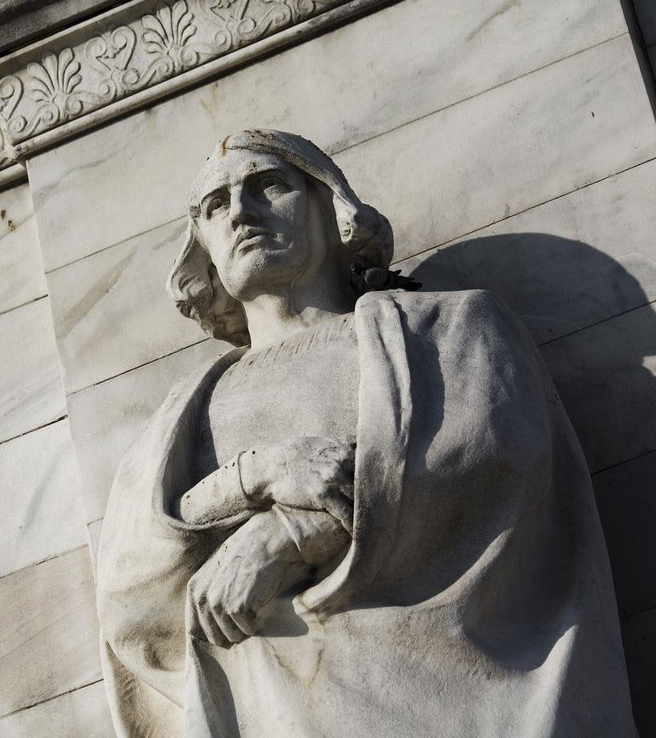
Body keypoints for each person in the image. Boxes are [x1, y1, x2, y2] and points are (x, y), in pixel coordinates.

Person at [95, 130, 636, 737]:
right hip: (271, 708)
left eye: (268, 185)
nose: (239, 212)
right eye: (213, 206)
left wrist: (292, 533)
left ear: (332, 208)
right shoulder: (182, 413)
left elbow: (491, 454)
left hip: (449, 695)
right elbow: (131, 578)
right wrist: (258, 475)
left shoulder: (448, 327)